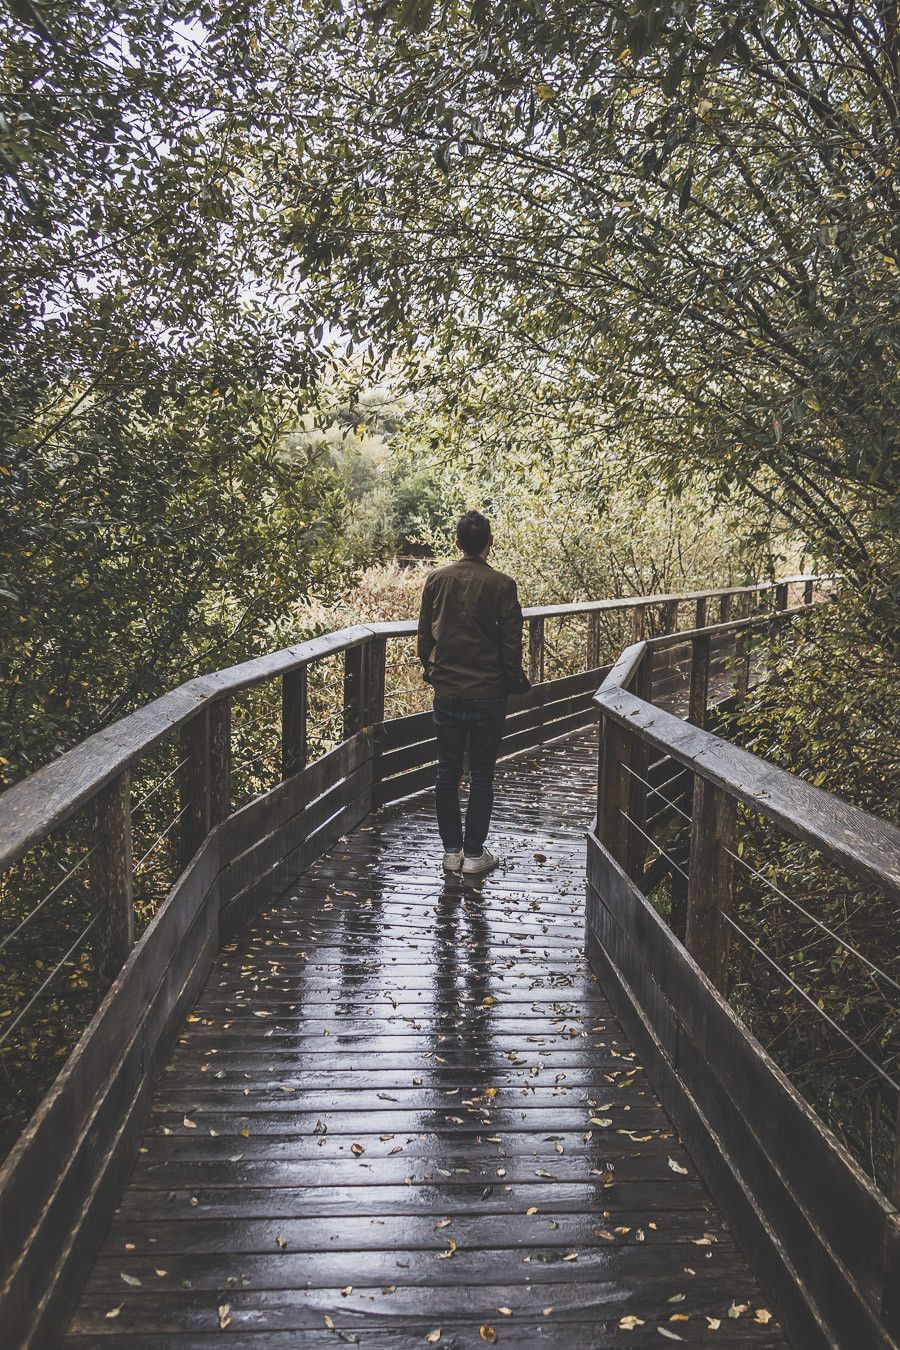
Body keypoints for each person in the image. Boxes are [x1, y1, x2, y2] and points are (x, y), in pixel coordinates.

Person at [416, 510, 530, 876]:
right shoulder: (503, 585)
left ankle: (451, 851)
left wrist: (431, 671)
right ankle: (475, 854)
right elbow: (511, 643)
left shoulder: (436, 580)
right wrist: (515, 681)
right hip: (488, 693)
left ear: (457, 543)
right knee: (482, 775)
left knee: (446, 772)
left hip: (447, 691)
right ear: (489, 543)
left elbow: (424, 636)